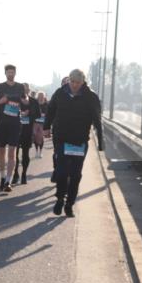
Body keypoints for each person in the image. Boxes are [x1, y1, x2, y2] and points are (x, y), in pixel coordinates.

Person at [43, 69, 103, 218]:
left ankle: (69, 204)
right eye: (72, 82)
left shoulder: (91, 97)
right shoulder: (60, 93)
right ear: (69, 80)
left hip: (79, 141)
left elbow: (97, 119)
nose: (75, 85)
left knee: (75, 175)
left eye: (78, 82)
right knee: (62, 172)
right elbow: (50, 110)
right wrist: (46, 127)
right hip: (62, 139)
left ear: (83, 82)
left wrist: (101, 141)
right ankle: (59, 199)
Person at [0, 64, 25, 192]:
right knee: (1, 152)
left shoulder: (20, 87)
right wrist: (0, 102)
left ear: (15, 73)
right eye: (8, 72)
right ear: (5, 73)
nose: (10, 74)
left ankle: (8, 181)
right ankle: (2, 176)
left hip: (15, 123)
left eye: (12, 72)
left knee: (12, 152)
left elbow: (24, 101)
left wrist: (25, 104)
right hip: (2, 123)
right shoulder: (0, 87)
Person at [13, 82, 41, 185]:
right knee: (14, 154)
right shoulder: (15, 100)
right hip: (16, 129)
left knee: (25, 154)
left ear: (29, 90)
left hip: (27, 130)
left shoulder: (33, 101)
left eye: (26, 89)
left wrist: (29, 113)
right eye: (22, 89)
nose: (24, 90)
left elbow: (38, 114)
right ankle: (15, 174)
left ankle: (24, 174)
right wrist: (19, 113)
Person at [33, 91, 48, 157]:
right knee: (35, 136)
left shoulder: (47, 104)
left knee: (41, 137)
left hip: (43, 123)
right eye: (39, 96)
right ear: (37, 96)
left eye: (42, 96)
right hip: (35, 122)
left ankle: (40, 152)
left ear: (44, 96)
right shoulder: (35, 103)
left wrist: (44, 115)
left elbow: (49, 113)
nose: (41, 97)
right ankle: (36, 151)